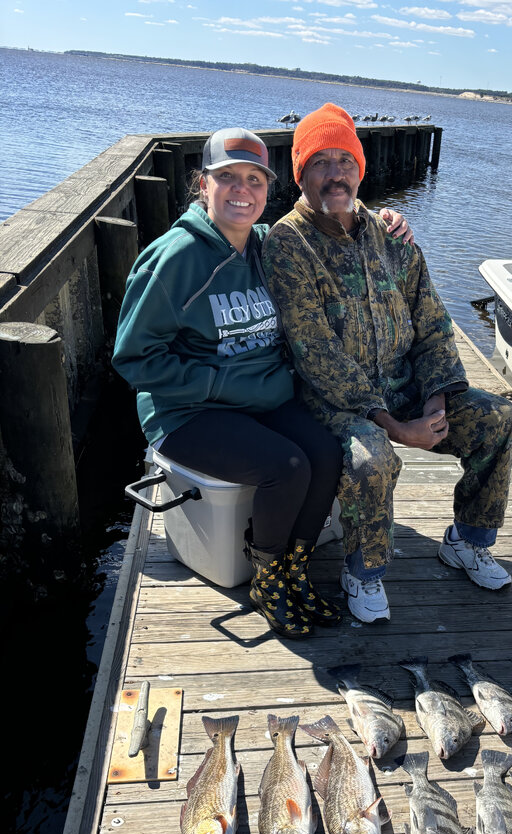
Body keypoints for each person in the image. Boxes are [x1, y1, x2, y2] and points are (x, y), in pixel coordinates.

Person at [113, 127, 409, 640]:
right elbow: (134, 358)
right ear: (203, 184)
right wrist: (217, 384)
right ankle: (267, 579)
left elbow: (328, 223)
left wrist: (381, 220)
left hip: (260, 403)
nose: (241, 190)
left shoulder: (267, 245)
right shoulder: (176, 258)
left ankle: (295, 568)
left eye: (254, 179)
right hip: (188, 413)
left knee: (326, 452)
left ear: (269, 189)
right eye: (227, 177)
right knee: (285, 467)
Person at [262, 103, 512, 624]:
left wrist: (435, 403)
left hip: (406, 390)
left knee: (498, 418)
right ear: (300, 174)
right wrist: (396, 427)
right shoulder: (287, 243)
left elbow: (434, 325)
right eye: (320, 162)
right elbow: (316, 354)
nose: (335, 173)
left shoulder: (391, 235)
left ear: (360, 168)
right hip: (335, 403)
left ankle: (467, 542)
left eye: (345, 160)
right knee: (371, 457)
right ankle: (365, 571)